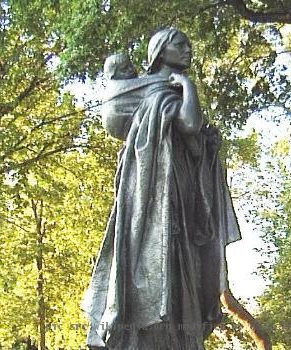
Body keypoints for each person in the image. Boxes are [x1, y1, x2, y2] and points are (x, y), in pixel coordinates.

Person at [82, 28, 241, 350]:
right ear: (159, 51)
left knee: (182, 253)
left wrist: (208, 148)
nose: (187, 50)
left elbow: (195, 142)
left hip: (180, 186)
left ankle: (179, 327)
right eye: (179, 45)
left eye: (188, 44)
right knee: (161, 249)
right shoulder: (161, 92)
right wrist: (188, 86)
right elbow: (189, 124)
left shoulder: (164, 91)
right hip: (155, 188)